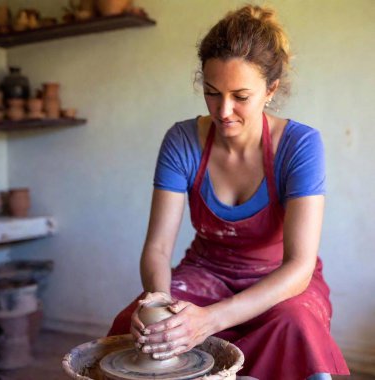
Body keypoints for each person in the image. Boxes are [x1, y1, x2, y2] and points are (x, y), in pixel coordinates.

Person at [108, 4, 350, 380]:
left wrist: (209, 320)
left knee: (296, 324)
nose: (224, 111)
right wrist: (159, 300)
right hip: (206, 272)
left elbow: (299, 266)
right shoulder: (182, 140)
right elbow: (157, 248)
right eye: (211, 92)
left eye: (240, 96)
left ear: (270, 90)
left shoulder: (299, 144)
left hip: (279, 280)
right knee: (138, 325)